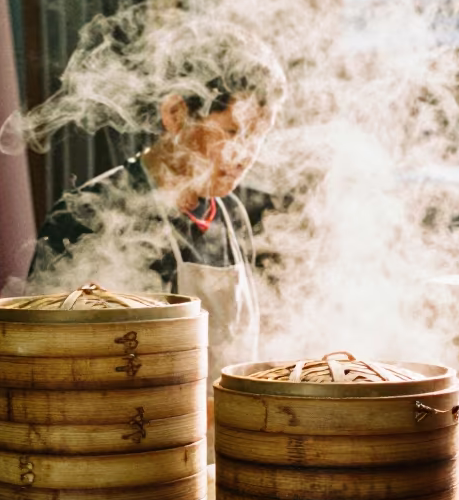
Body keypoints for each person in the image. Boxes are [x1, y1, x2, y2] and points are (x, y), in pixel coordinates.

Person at [26, 21, 288, 375]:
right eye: (231, 132)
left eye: (259, 136)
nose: (245, 154)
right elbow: (49, 361)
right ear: (175, 115)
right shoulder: (90, 215)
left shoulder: (233, 216)